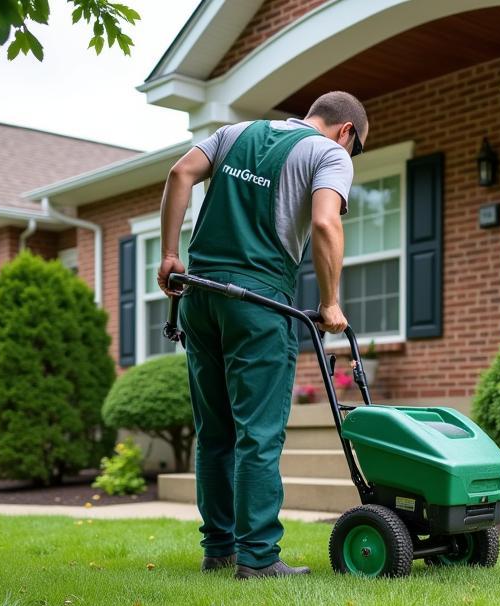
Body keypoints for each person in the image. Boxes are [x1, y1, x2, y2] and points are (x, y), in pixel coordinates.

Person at [157, 92, 368, 580]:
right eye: (354, 149)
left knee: (215, 432)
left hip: (199, 294)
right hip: (257, 300)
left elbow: (179, 174)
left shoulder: (236, 133)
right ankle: (258, 558)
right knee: (259, 431)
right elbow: (324, 221)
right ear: (347, 132)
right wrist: (331, 302)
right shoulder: (330, 153)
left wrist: (170, 254)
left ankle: (220, 550)